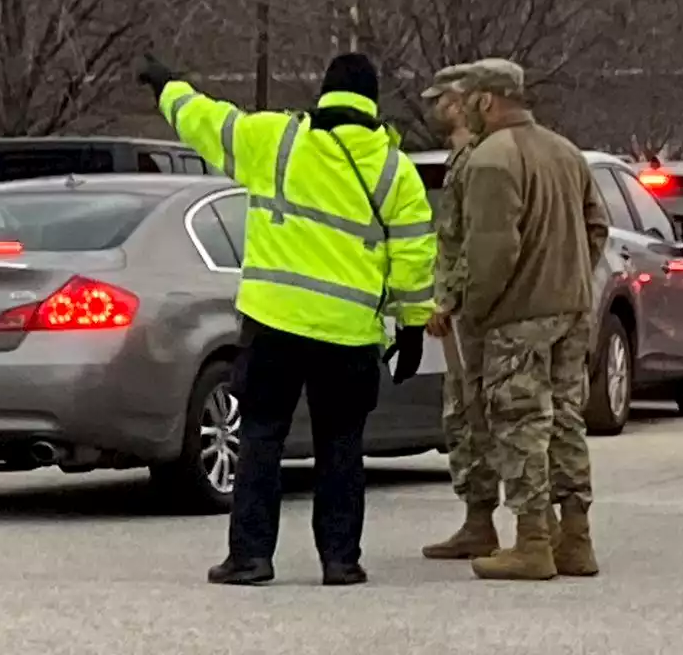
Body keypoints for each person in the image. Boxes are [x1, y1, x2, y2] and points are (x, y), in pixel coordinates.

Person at [138, 51, 436, 587]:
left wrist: (168, 87)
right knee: (342, 446)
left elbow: (207, 121)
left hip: (273, 324)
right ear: (373, 103)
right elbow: (414, 255)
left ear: (323, 93)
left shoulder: (276, 140)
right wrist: (412, 325)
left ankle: (251, 558)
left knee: (261, 437)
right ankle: (340, 561)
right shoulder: (396, 171)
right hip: (348, 333)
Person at [454, 58, 609, 581]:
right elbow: (597, 226)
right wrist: (574, 275)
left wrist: (476, 309)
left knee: (521, 421)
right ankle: (577, 538)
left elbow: (492, 250)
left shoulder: (492, 159)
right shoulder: (566, 152)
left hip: (519, 314)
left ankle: (532, 541)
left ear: (485, 101)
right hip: (573, 309)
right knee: (567, 419)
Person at [416, 64, 505, 561]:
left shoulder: (479, 161)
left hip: (474, 309)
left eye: (444, 98)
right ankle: (477, 519)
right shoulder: (461, 160)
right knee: (464, 416)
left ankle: (492, 520)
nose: (437, 108)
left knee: (480, 416)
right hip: (463, 305)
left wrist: (448, 298)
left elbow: (476, 240)